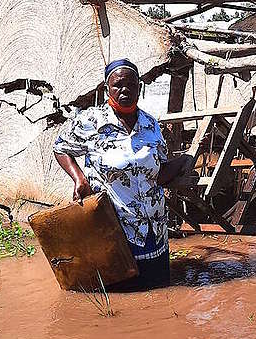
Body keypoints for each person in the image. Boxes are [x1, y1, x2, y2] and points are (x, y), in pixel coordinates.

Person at [53, 59, 189, 290]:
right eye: (118, 85)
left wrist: (185, 160)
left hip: (154, 227)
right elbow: (60, 148)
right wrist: (79, 178)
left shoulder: (150, 124)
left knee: (160, 292)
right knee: (121, 292)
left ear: (140, 88)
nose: (125, 90)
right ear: (108, 89)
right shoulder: (91, 122)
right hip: (116, 226)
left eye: (131, 85)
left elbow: (159, 169)